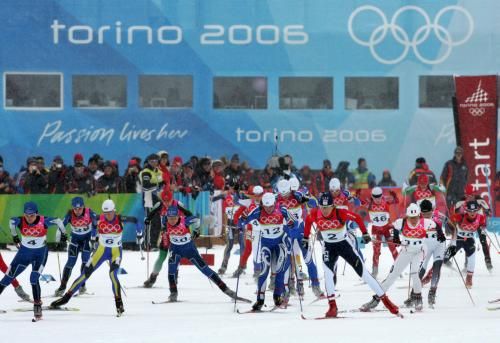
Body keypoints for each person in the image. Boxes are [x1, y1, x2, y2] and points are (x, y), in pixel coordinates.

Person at [304, 192, 399, 318]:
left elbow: (357, 218)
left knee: (363, 273)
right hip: (328, 246)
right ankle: (332, 306)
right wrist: (305, 238)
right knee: (328, 274)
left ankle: (387, 302)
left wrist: (365, 233)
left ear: (333, 206)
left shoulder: (340, 213)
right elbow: (308, 222)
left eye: (327, 207)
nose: (325, 210)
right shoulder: (315, 213)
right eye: (322, 207)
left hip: (344, 246)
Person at [51, 199, 139, 316]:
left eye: (110, 212)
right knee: (84, 274)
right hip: (100, 252)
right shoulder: (98, 218)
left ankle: (119, 303)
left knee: (113, 274)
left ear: (114, 211)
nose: (108, 215)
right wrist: (92, 236)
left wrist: (140, 234)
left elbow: (136, 221)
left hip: (115, 252)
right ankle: (66, 298)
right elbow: (91, 224)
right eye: (105, 213)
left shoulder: (120, 218)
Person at [163, 205, 247, 303]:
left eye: (174, 218)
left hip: (189, 250)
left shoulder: (185, 220)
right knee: (171, 271)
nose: (172, 221)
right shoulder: (164, 220)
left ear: (178, 216)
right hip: (175, 249)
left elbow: (197, 220)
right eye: (170, 219)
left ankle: (226, 289)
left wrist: (196, 230)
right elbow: (162, 229)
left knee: (205, 269)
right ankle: (173, 293)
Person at [361, 203, 433, 312]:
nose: (413, 220)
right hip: (406, 251)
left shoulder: (426, 222)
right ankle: (376, 299)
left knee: (414, 273)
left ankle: (418, 298)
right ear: (408, 216)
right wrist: (395, 237)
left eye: (416, 217)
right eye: (411, 217)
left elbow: (437, 226)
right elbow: (392, 226)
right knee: (392, 275)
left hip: (419, 251)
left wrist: (441, 233)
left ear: (419, 215)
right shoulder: (402, 222)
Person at [0, 202, 66, 321]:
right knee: (7, 277)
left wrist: (63, 235)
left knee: (33, 278)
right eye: (27, 215)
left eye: (32, 215)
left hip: (39, 255)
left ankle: (37, 306)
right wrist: (15, 236)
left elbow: (59, 221)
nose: (29, 218)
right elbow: (11, 222)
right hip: (23, 254)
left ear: (37, 213)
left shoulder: (44, 220)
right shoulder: (19, 221)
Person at [237, 192, 298, 311]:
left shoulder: (282, 209)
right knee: (264, 270)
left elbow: (295, 222)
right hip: (266, 244)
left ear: (274, 203)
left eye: (271, 206)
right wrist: (242, 218)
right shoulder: (257, 211)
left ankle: (277, 296)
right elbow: (241, 222)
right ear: (262, 204)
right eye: (266, 206)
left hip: (280, 244)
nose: (269, 209)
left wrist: (291, 224)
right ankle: (260, 299)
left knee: (280, 270)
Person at [276, 179, 322, 298]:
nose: (285, 197)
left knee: (308, 259)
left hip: (300, 230)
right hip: (286, 231)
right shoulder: (277, 199)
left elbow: (314, 203)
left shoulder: (297, 195)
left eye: (286, 194)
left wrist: (306, 199)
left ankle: (316, 286)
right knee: (286, 261)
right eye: (282, 194)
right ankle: (285, 290)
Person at [142, 192, 194, 288]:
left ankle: (174, 278)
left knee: (175, 257)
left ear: (172, 199)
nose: (166, 203)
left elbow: (189, 215)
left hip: (177, 235)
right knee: (162, 257)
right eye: (164, 201)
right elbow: (150, 215)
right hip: (166, 234)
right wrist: (147, 220)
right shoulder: (159, 205)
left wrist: (186, 225)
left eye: (168, 201)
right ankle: (152, 278)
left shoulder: (178, 204)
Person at [54, 197, 98, 296]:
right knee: (70, 262)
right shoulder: (70, 214)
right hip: (75, 240)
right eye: (75, 209)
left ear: (83, 207)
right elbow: (61, 226)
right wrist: (58, 238)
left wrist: (94, 239)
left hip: (87, 240)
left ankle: (82, 286)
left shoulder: (89, 212)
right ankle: (62, 287)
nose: (77, 211)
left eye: (80, 208)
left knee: (85, 261)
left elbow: (95, 225)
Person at [411, 199, 446, 307]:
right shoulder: (416, 218)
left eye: (428, 213)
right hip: (425, 244)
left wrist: (453, 243)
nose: (426, 215)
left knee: (437, 266)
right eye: (424, 213)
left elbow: (452, 226)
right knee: (421, 269)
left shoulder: (438, 215)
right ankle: (414, 294)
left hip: (439, 243)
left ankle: (432, 292)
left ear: (432, 210)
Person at [444, 200, 487, 288]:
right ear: (466, 210)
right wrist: (450, 228)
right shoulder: (460, 216)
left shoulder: (481, 217)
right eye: (470, 211)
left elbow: (483, 225)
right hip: (458, 239)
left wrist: (482, 230)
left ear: (477, 210)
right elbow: (449, 221)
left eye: (474, 211)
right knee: (443, 259)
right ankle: (430, 275)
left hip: (469, 240)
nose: (472, 213)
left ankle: (469, 278)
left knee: (472, 258)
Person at [362, 187, 399, 278]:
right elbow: (359, 203)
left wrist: (394, 196)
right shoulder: (369, 204)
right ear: (372, 196)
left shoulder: (386, 201)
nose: (377, 199)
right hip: (376, 230)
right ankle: (375, 272)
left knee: (393, 248)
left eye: (379, 197)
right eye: (375, 197)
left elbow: (396, 201)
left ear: (381, 195)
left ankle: (398, 269)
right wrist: (357, 196)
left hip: (387, 228)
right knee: (376, 251)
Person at [453, 184, 492, 270]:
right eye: (467, 195)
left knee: (483, 240)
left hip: (479, 222)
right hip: (467, 223)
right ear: (465, 194)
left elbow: (489, 211)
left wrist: (487, 212)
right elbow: (455, 211)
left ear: (475, 194)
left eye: (471, 195)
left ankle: (488, 260)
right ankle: (467, 265)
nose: (469, 197)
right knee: (467, 242)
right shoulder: (461, 201)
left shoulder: (480, 200)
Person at [232, 185, 264, 278]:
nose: (257, 197)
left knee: (260, 250)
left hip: (263, 231)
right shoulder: (249, 202)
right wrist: (236, 191)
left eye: (259, 195)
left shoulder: (266, 202)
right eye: (255, 195)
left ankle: (259, 270)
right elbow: (236, 204)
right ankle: (241, 268)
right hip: (250, 230)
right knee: (249, 249)